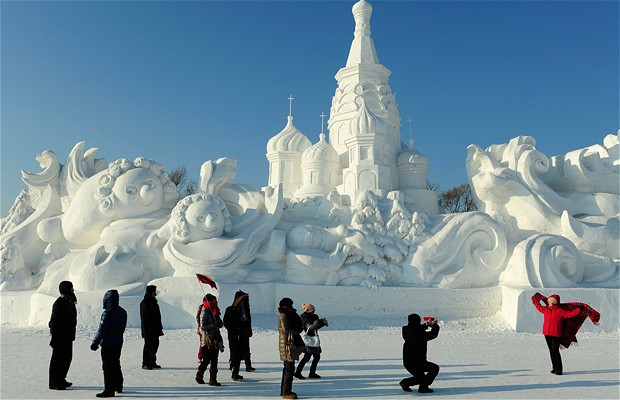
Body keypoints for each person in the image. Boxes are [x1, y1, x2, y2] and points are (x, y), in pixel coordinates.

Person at [531, 292, 582, 375]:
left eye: (550, 301)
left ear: (554, 302)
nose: (548, 302)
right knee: (551, 351)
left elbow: (569, 315)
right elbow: (538, 307)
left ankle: (559, 369)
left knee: (555, 351)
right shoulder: (546, 309)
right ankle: (554, 368)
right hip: (547, 334)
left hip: (556, 334)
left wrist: (578, 310)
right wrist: (535, 300)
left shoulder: (560, 310)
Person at [90, 289, 128, 398]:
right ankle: (118, 385)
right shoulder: (122, 312)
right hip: (118, 342)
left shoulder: (107, 313)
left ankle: (109, 389)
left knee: (107, 367)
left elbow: (102, 329)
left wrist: (95, 343)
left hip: (108, 344)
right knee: (116, 364)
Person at [400, 313, 440, 394]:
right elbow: (433, 334)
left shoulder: (406, 330)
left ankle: (405, 383)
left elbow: (416, 329)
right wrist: (435, 325)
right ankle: (423, 387)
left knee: (421, 377)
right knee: (434, 368)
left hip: (408, 363)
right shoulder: (420, 334)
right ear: (418, 321)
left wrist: (426, 325)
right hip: (418, 362)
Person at [48, 280, 78, 390]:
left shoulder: (70, 301)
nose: (73, 290)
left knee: (67, 358)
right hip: (60, 337)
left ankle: (61, 378)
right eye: (71, 288)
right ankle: (54, 381)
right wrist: (55, 337)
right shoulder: (59, 303)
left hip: (68, 336)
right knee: (58, 359)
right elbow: (54, 322)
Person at [223, 290, 255, 381]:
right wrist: (234, 330)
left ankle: (243, 367)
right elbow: (226, 322)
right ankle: (234, 371)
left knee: (243, 351)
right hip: (234, 335)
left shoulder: (245, 308)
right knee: (235, 353)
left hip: (243, 333)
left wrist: (249, 330)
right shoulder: (230, 309)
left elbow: (248, 320)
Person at [195, 293, 225, 386]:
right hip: (207, 339)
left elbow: (220, 324)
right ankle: (199, 374)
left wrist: (219, 323)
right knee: (207, 359)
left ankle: (213, 379)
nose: (215, 302)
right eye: (213, 301)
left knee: (215, 359)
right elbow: (203, 326)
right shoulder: (204, 311)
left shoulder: (215, 310)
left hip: (216, 337)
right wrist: (214, 324)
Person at [278, 297, 304, 400]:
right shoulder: (284, 315)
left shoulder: (288, 314)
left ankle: (284, 390)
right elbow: (286, 330)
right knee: (289, 368)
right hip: (288, 344)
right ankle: (286, 391)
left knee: (288, 367)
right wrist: (297, 330)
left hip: (289, 343)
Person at [294, 303, 328, 379]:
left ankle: (310, 373)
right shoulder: (304, 317)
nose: (313, 312)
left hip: (314, 339)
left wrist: (322, 323)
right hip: (309, 339)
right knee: (307, 357)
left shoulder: (314, 316)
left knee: (315, 357)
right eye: (312, 311)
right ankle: (299, 372)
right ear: (308, 310)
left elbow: (315, 327)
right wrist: (318, 323)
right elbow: (310, 327)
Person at [140, 285, 163, 370]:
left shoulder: (154, 302)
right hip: (148, 330)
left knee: (155, 345)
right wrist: (147, 330)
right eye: (154, 292)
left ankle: (152, 361)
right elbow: (145, 318)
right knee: (148, 346)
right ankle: (145, 363)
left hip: (155, 329)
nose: (155, 293)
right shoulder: (145, 303)